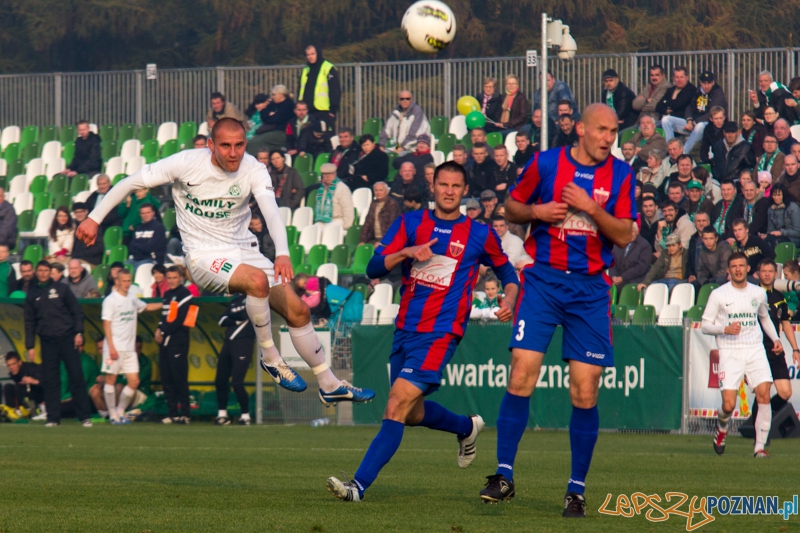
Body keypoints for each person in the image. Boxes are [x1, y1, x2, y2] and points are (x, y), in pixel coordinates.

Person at [77, 117, 374, 406]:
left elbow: (271, 210)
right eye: (225, 145)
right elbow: (130, 182)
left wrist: (282, 251)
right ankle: (271, 358)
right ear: (210, 145)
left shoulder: (253, 168)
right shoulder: (185, 163)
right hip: (203, 256)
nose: (233, 153)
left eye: (240, 145)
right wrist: (94, 218)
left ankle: (329, 385)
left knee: (298, 312)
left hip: (244, 250)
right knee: (256, 281)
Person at [326, 161, 519, 503]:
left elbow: (508, 272)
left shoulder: (479, 233)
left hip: (442, 332)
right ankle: (465, 426)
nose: (448, 191)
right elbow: (373, 267)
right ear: (434, 187)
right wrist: (406, 252)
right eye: (443, 184)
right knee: (412, 413)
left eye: (455, 186)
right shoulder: (410, 223)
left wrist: (511, 297)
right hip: (405, 330)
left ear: (464, 191)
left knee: (396, 404)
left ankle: (358, 486)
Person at [483, 104, 635, 516]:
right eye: (602, 129)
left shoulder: (621, 174)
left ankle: (576, 489)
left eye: (614, 130)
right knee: (521, 373)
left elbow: (624, 233)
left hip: (590, 290)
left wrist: (590, 207)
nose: (609, 137)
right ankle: (503, 474)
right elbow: (511, 207)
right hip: (544, 281)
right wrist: (536, 212)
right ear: (581, 129)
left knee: (584, 392)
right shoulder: (547, 163)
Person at [701, 252, 783, 458]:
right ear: (728, 270)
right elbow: (705, 325)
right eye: (734, 266)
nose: (738, 269)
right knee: (728, 405)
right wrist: (724, 329)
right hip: (730, 351)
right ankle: (721, 428)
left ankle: (759, 447)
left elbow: (764, 318)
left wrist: (776, 339)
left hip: (754, 349)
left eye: (741, 266)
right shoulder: (719, 294)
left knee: (764, 393)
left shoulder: (758, 293)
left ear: (748, 269)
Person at [23, 260, 92, 427]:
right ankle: (53, 418)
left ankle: (84, 417)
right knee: (51, 380)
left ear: (51, 272)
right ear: (36, 272)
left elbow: (76, 311)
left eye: (46, 270)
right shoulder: (32, 294)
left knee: (76, 376)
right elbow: (29, 322)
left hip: (67, 338)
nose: (43, 273)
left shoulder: (62, 289)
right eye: (40, 270)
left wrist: (79, 333)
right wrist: (30, 346)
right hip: (47, 342)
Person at [100, 269, 160, 424]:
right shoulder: (110, 300)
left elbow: (146, 307)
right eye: (124, 280)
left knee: (134, 382)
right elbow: (106, 324)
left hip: (129, 349)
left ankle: (120, 411)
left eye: (129, 280)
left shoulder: (133, 298)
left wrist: (166, 304)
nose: (127, 284)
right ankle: (112, 414)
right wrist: (111, 348)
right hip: (114, 347)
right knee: (111, 380)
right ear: (117, 281)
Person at [757, 259, 800, 418]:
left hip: (776, 349)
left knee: (785, 392)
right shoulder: (753, 294)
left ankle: (758, 419)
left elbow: (786, 324)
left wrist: (795, 349)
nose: (767, 274)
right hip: (758, 349)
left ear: (776, 274)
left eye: (770, 271)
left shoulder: (780, 296)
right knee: (763, 391)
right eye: (764, 271)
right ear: (758, 273)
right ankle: (758, 429)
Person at [661, 70, 727, 154]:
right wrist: (689, 120)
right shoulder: (698, 91)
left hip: (707, 124)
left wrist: (694, 123)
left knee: (700, 126)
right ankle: (671, 150)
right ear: (700, 82)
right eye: (704, 83)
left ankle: (682, 153)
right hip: (692, 123)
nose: (706, 86)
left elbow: (712, 114)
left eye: (709, 83)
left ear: (713, 82)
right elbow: (690, 107)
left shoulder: (717, 94)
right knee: (666, 120)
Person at [214, 293, 255, 426]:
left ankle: (245, 415)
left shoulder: (253, 299)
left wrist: (231, 316)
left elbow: (246, 315)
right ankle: (222, 414)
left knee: (237, 381)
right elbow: (221, 320)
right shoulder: (234, 300)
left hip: (244, 342)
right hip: (228, 343)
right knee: (220, 380)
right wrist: (236, 320)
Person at [297, 44, 340, 132]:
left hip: (324, 112)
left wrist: (333, 110)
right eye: (308, 55)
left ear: (318, 54)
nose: (310, 57)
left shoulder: (328, 68)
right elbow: (300, 90)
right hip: (307, 112)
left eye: (312, 54)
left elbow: (335, 90)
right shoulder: (305, 70)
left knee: (326, 138)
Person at [247, 85, 295, 156]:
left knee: (255, 142)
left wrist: (271, 116)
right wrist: (271, 115)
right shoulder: (273, 104)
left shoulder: (288, 105)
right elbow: (263, 114)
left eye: (274, 95)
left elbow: (277, 119)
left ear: (281, 95)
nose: (272, 97)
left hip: (282, 132)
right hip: (271, 131)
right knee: (252, 140)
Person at [3, 351, 44, 419]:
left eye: (13, 364)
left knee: (18, 386)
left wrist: (34, 381)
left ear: (20, 362)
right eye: (9, 365)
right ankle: (13, 410)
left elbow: (48, 384)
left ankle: (34, 409)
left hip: (41, 397)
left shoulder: (31, 369)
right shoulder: (14, 374)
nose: (11, 367)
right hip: (27, 395)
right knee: (8, 387)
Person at [315, 163, 354, 229]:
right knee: (314, 229)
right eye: (325, 174)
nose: (327, 176)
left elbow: (348, 209)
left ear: (335, 174)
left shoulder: (342, 188)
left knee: (328, 230)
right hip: (322, 219)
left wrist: (347, 226)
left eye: (330, 174)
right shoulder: (321, 189)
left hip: (338, 219)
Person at [128, 203, 167, 270]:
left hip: (151, 260)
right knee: (123, 269)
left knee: (137, 269)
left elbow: (150, 247)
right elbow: (131, 247)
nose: (145, 215)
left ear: (153, 213)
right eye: (143, 213)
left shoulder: (159, 228)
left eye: (148, 212)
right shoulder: (138, 228)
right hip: (136, 259)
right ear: (140, 215)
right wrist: (144, 245)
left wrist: (137, 244)